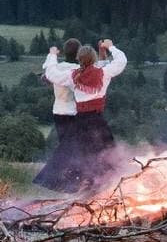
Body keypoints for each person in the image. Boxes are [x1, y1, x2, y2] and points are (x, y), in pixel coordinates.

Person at [38, 38, 128, 192]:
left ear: (79, 60)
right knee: (106, 155)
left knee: (77, 155)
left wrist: (52, 55)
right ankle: (103, 187)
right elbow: (121, 61)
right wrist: (111, 47)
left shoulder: (73, 76)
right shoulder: (103, 73)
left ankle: (83, 188)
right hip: (97, 121)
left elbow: (51, 73)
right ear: (93, 58)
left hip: (80, 121)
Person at [33, 38, 84, 191]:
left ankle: (72, 181)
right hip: (74, 112)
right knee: (71, 148)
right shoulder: (79, 70)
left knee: (70, 147)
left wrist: (51, 56)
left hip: (58, 111)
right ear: (78, 54)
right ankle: (48, 178)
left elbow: (46, 76)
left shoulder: (57, 68)